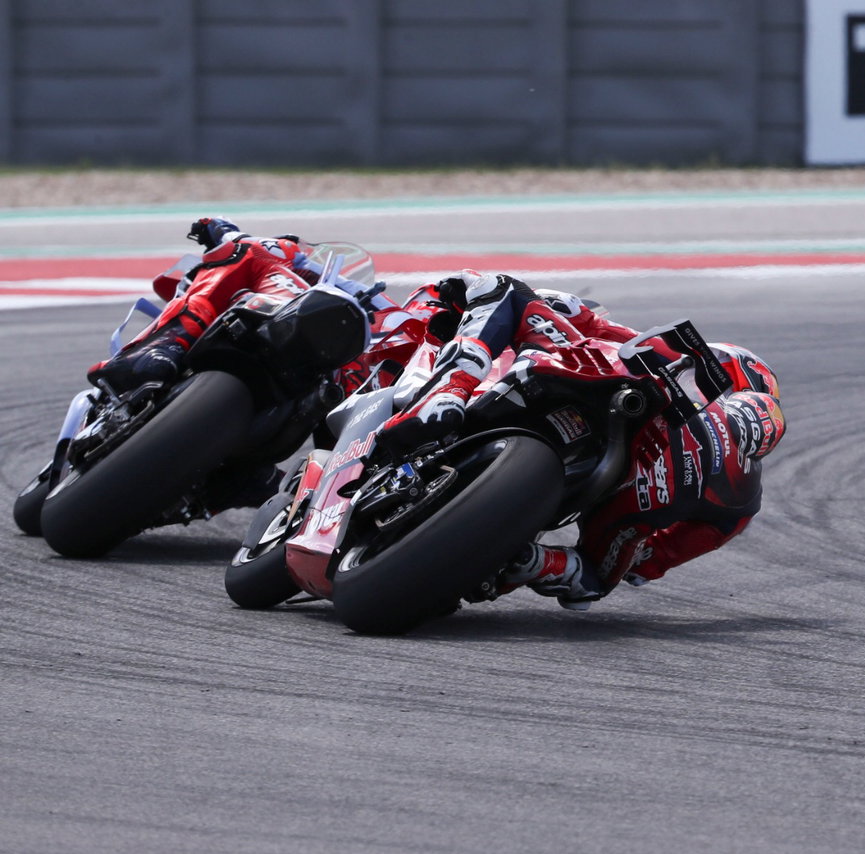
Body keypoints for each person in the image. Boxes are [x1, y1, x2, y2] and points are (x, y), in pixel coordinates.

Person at [376, 270, 784, 610]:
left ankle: (449, 391)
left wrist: (547, 304)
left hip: (579, 388)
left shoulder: (666, 360)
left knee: (501, 289)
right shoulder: (740, 503)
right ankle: (532, 562)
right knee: (593, 578)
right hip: (609, 474)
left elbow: (584, 319)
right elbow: (644, 567)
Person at [88, 216, 330, 393]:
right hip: (234, 313)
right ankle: (163, 346)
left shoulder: (342, 295)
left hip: (294, 351)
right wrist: (220, 228)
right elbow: (232, 237)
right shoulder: (278, 252)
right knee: (252, 251)